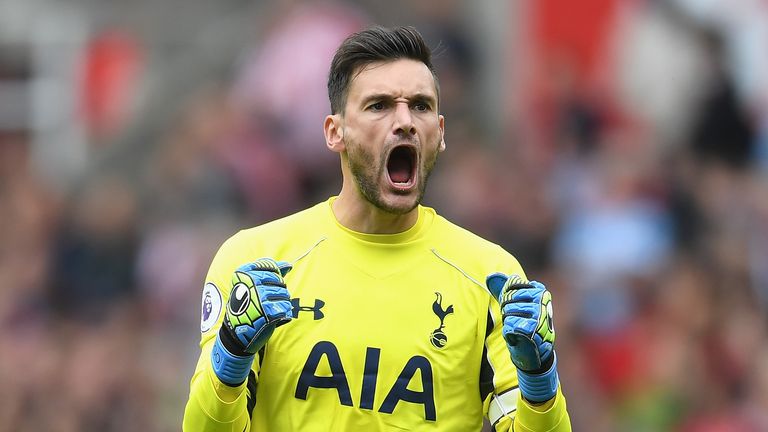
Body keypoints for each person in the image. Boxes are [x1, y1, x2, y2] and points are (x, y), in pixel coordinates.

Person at [183, 26, 571, 431]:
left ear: (439, 133)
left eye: (420, 106)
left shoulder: (489, 275)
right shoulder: (256, 261)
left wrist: (540, 385)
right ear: (336, 132)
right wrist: (230, 360)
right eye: (379, 106)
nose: (404, 121)